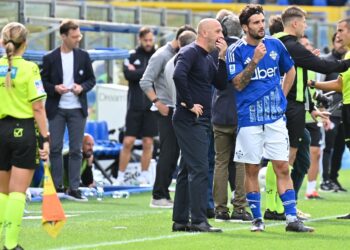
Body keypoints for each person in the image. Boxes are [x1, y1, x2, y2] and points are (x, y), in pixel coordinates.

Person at [226, 4, 314, 232]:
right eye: (256, 23)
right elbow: (237, 83)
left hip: (275, 118)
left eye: (262, 21)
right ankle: (257, 220)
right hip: (249, 119)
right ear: (245, 27)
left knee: (283, 167)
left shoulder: (275, 44)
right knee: (252, 169)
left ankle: (292, 219)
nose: (261, 26)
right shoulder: (235, 51)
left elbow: (290, 70)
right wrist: (254, 60)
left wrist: (283, 97)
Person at [275, 6, 350, 207]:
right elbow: (325, 67)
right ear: (295, 23)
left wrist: (311, 107)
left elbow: (302, 76)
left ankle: (285, 205)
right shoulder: (290, 45)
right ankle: (282, 208)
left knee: (300, 158)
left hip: (295, 107)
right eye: (305, 22)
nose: (306, 26)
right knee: (288, 160)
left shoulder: (277, 42)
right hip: (292, 108)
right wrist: (347, 62)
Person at [172, 18, 227, 233]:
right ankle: (198, 220)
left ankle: (180, 220)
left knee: (187, 169)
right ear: (204, 33)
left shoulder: (208, 56)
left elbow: (221, 83)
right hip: (190, 119)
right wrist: (187, 102)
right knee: (200, 168)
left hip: (202, 121)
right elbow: (178, 75)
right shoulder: (190, 52)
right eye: (217, 31)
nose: (221, 35)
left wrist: (221, 58)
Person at [0, 22, 49, 250]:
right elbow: (38, 108)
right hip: (23, 130)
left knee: (2, 192)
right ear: (25, 44)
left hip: (0, 130)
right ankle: (10, 244)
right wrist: (46, 139)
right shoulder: (30, 69)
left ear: (3, 42)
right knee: (18, 191)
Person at [139, 25, 196, 208]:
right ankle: (158, 195)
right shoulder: (162, 55)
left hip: (178, 108)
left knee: (175, 153)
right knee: (168, 153)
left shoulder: (178, 54)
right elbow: (145, 81)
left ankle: (164, 193)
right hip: (167, 109)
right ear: (180, 40)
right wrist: (157, 102)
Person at [41, 19, 96, 202]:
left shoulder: (84, 56)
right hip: (57, 109)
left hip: (77, 109)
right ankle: (57, 187)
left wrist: (81, 87)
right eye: (74, 36)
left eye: (78, 35)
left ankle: (74, 188)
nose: (77, 39)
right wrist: (55, 88)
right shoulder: (50, 58)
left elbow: (91, 80)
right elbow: (44, 82)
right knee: (55, 148)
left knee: (76, 150)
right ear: (63, 36)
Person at [211, 9, 252, 223]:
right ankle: (239, 207)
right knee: (240, 162)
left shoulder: (215, 49)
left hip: (219, 111)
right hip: (240, 112)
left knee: (220, 162)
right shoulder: (245, 49)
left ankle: (219, 208)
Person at [306, 17, 350, 219]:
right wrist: (313, 84)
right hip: (346, 108)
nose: (337, 34)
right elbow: (340, 85)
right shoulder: (348, 55)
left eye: (341, 30)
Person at [115, 27, 156, 186]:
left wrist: (138, 71)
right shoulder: (131, 55)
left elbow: (156, 75)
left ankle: (144, 176)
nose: (148, 43)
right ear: (140, 39)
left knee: (148, 142)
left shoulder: (156, 56)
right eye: (145, 40)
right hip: (134, 107)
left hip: (151, 106)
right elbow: (128, 74)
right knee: (128, 142)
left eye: (150, 40)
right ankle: (120, 176)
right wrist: (147, 72)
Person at [320, 33, 348, 192]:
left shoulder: (347, 62)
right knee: (328, 147)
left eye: (342, 40)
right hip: (330, 113)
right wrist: (322, 109)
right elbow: (319, 86)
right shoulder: (326, 62)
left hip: (345, 112)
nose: (341, 44)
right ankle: (325, 180)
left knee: (341, 148)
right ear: (333, 43)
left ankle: (333, 178)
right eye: (337, 40)